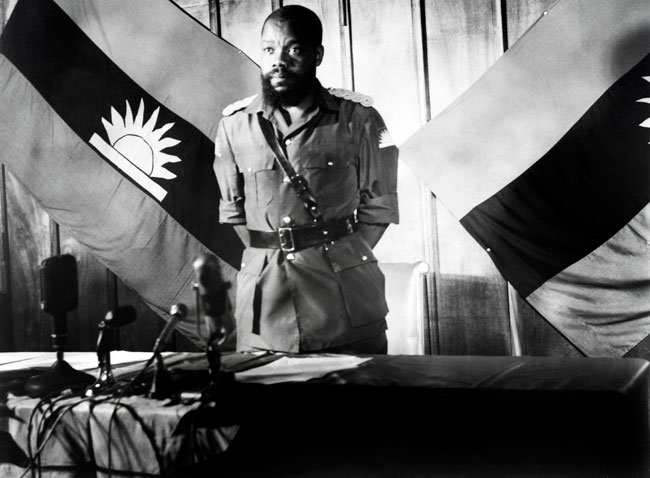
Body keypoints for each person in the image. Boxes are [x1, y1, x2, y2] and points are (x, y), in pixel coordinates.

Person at [213, 5, 398, 354]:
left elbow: (379, 210)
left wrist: (335, 256)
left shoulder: (359, 119)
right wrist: (274, 252)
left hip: (343, 305)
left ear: (317, 55)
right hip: (264, 309)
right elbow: (234, 214)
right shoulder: (234, 126)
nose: (278, 61)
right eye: (269, 50)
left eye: (293, 49)